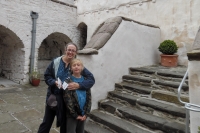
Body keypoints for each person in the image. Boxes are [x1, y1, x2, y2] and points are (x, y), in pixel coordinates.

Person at [38, 42, 95, 133]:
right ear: (65, 50)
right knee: (46, 122)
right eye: (69, 50)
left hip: (67, 101)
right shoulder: (56, 62)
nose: (70, 52)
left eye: (73, 51)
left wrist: (79, 85)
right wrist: (54, 82)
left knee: (64, 126)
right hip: (54, 96)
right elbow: (47, 76)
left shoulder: (76, 64)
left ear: (75, 53)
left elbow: (91, 79)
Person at [63, 59, 92, 133]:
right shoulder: (67, 81)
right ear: (71, 68)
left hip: (83, 113)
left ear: (82, 67)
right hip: (72, 115)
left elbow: (89, 98)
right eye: (74, 65)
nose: (76, 67)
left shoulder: (86, 80)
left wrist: (86, 113)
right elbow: (67, 99)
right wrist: (75, 115)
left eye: (78, 65)